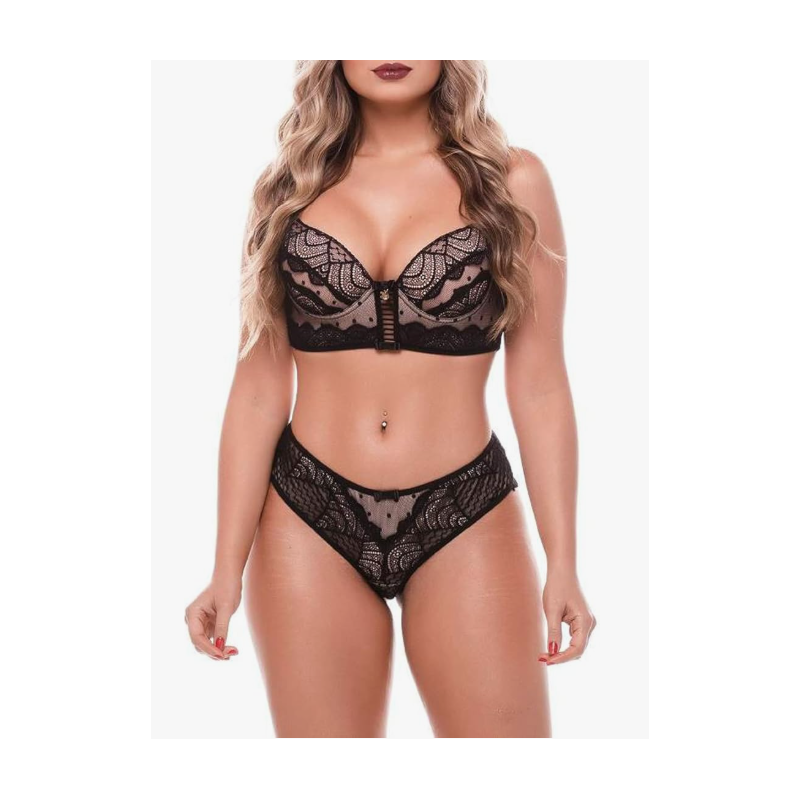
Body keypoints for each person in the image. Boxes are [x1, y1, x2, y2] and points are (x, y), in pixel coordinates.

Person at [185, 60, 595, 738]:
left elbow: (541, 384)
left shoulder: (512, 181)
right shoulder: (290, 187)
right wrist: (223, 570)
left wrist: (565, 563)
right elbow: (258, 390)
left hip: (464, 509)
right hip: (308, 513)